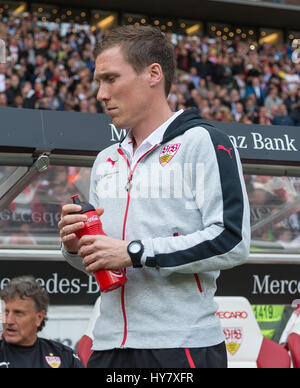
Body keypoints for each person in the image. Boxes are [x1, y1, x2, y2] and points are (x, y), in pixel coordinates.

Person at [59, 25, 250, 368]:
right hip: (108, 345)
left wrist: (135, 252)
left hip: (180, 347)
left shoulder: (203, 142)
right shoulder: (106, 159)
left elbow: (232, 239)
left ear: (153, 74)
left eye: (111, 78)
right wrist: (76, 248)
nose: (100, 94)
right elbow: (104, 261)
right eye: (98, 81)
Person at [0, 276, 84, 368]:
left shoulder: (65, 356)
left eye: (18, 313)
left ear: (39, 317)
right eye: (6, 312)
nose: (8, 320)